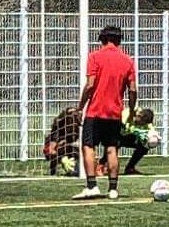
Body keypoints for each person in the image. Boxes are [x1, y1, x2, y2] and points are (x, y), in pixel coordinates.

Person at [72, 25, 137, 200]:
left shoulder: (95, 57)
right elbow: (132, 90)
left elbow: (90, 85)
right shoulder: (128, 61)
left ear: (102, 39)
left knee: (88, 146)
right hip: (114, 113)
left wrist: (80, 107)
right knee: (112, 148)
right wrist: (131, 111)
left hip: (95, 111)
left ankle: (92, 185)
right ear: (119, 40)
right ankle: (113, 189)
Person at [98, 107, 156, 175]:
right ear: (139, 116)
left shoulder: (147, 123)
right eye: (142, 123)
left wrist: (152, 141)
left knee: (144, 146)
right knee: (114, 144)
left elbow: (152, 132)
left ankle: (130, 168)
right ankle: (101, 165)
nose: (142, 125)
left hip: (128, 136)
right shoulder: (127, 114)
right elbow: (118, 124)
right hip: (116, 133)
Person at [43, 107, 81, 176]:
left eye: (75, 114)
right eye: (71, 114)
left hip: (66, 147)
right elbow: (51, 148)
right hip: (56, 148)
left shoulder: (78, 126)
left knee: (78, 153)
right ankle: (54, 171)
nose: (73, 115)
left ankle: (77, 170)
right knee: (59, 151)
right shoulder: (59, 126)